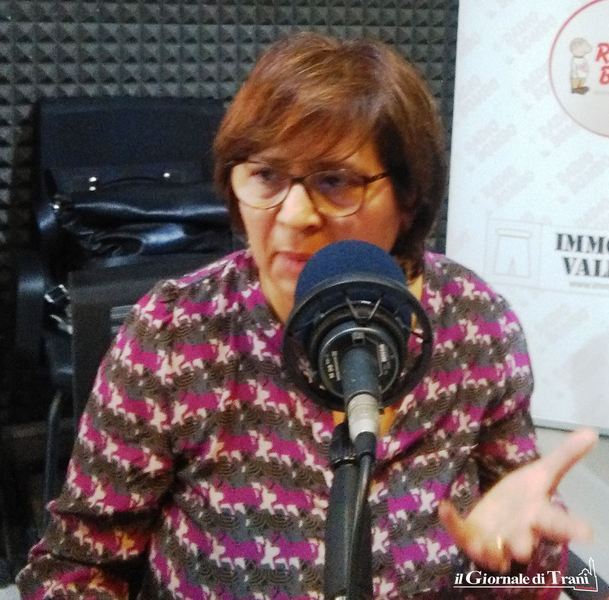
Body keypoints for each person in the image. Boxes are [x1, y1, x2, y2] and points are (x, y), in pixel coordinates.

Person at [17, 32, 596, 599]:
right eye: (266, 175)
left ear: (409, 196)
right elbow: (74, 568)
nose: (294, 215)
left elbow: (524, 570)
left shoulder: (474, 324)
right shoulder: (177, 334)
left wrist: (522, 563)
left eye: (334, 180)